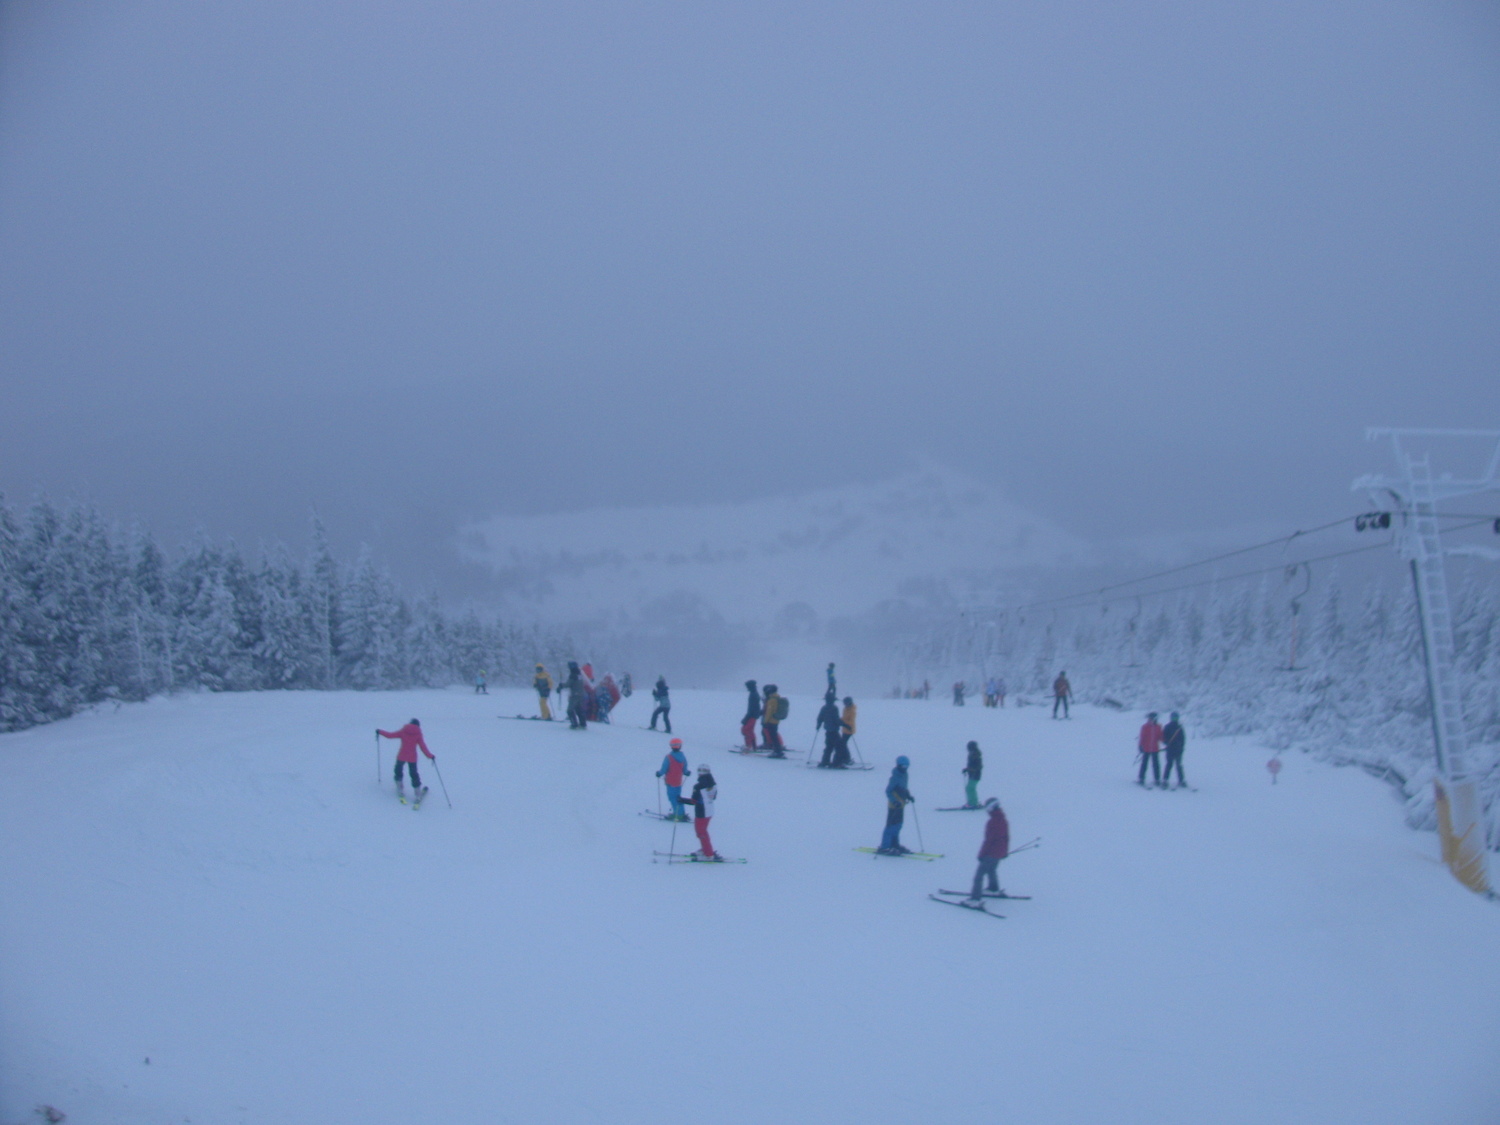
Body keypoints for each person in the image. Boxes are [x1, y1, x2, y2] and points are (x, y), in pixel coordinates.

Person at [965, 797, 1010, 904]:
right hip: (999, 853)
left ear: (991, 808)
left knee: (979, 876)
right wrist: (1004, 851)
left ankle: (975, 899)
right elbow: (1006, 838)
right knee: (991, 870)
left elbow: (989, 841)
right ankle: (993, 889)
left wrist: (981, 854)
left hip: (990, 853)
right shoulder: (1003, 819)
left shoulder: (992, 822)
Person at [378, 718, 435, 800]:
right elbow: (423, 747)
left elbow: (390, 735)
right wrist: (430, 756)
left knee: (398, 770)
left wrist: (380, 731)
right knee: (413, 774)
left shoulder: (404, 731)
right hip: (412, 757)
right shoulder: (418, 734)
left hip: (402, 755)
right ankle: (418, 794)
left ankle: (399, 788)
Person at [878, 755, 914, 854]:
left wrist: (908, 796)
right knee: (891, 826)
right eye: (903, 766)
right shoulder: (894, 777)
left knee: (898, 825)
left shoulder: (905, 775)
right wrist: (894, 801)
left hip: (901, 805)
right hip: (894, 806)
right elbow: (888, 791)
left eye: (907, 766)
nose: (905, 768)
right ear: (898, 765)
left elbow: (904, 788)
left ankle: (894, 844)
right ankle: (885, 846)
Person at [686, 765, 719, 860]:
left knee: (701, 832)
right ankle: (706, 849)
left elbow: (693, 801)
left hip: (701, 812)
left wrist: (681, 800)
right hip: (709, 810)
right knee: (702, 832)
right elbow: (713, 797)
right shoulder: (713, 784)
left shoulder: (698, 786)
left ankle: (708, 854)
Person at [656, 738, 690, 820]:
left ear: (671, 746)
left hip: (670, 782)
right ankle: (681, 812)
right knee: (678, 797)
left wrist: (659, 773)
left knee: (672, 798)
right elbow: (685, 768)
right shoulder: (682, 757)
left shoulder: (669, 757)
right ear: (680, 746)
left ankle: (678, 814)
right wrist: (686, 772)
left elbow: (664, 768)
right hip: (678, 782)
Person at [1137, 711, 1164, 787]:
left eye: (1153, 718)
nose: (1151, 719)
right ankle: (1141, 778)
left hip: (1155, 749)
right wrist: (1140, 746)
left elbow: (1160, 737)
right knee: (1144, 764)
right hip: (1146, 748)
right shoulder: (1145, 727)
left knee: (1156, 765)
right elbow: (1142, 737)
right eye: (1150, 718)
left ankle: (1157, 779)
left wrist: (1166, 741)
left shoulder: (1158, 727)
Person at [1162, 711, 1187, 789]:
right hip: (1170, 749)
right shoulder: (1167, 727)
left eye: (1176, 718)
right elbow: (1164, 737)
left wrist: (1181, 747)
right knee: (1169, 764)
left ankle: (1181, 780)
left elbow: (1183, 739)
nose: (1174, 719)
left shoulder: (1179, 727)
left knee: (1179, 765)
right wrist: (1167, 742)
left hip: (1178, 750)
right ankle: (1165, 780)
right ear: (1171, 718)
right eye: (1173, 718)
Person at [816, 692, 841, 767]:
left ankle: (825, 761)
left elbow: (820, 718)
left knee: (829, 747)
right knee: (838, 747)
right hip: (834, 731)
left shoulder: (824, 708)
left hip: (828, 730)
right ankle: (836, 763)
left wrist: (818, 725)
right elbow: (836, 719)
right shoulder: (834, 708)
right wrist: (844, 724)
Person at [761, 683, 784, 756]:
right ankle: (777, 750)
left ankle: (778, 751)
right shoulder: (776, 698)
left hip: (771, 721)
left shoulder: (772, 700)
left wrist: (765, 721)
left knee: (774, 737)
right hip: (775, 720)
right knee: (774, 736)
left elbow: (769, 712)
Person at [564, 661, 587, 729]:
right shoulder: (579, 674)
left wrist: (561, 686)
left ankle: (574, 724)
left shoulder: (573, 675)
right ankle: (583, 724)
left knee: (570, 710)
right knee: (578, 709)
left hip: (575, 695)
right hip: (581, 694)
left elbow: (568, 684)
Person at [835, 696, 856, 768]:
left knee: (842, 744)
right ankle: (846, 758)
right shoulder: (845, 709)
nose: (844, 704)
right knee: (843, 744)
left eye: (845, 703)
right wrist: (839, 720)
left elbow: (851, 720)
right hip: (844, 729)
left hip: (849, 729)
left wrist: (844, 723)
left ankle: (847, 758)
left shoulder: (852, 710)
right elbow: (844, 718)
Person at [962, 740, 983, 808]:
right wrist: (967, 769)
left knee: (970, 788)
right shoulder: (973, 754)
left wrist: (970, 769)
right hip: (973, 774)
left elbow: (978, 766)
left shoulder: (975, 755)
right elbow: (972, 765)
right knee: (970, 788)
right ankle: (973, 802)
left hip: (975, 774)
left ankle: (973, 803)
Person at [741, 680, 761, 750]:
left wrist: (747, 717)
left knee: (746, 730)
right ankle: (753, 746)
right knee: (749, 730)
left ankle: (749, 746)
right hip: (753, 715)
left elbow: (752, 707)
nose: (747, 688)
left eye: (747, 686)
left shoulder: (753, 694)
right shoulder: (754, 693)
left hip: (752, 715)